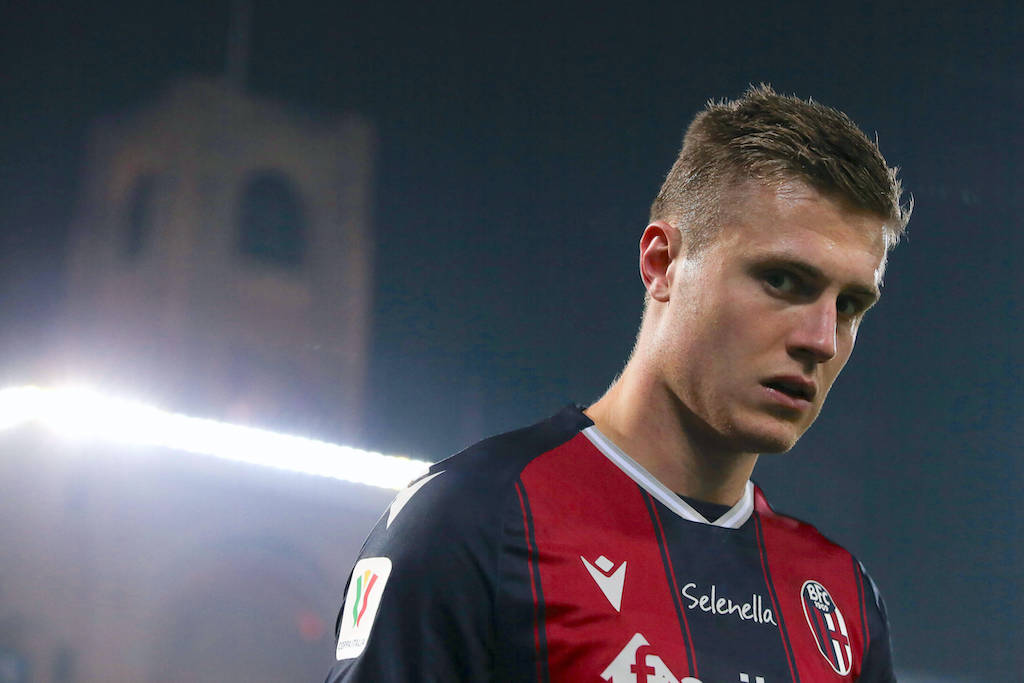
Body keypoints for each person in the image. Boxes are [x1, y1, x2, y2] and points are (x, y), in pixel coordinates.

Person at [325, 85, 911, 682]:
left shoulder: (841, 601)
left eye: (850, 306)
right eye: (783, 280)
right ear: (661, 264)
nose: (821, 339)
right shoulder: (474, 521)